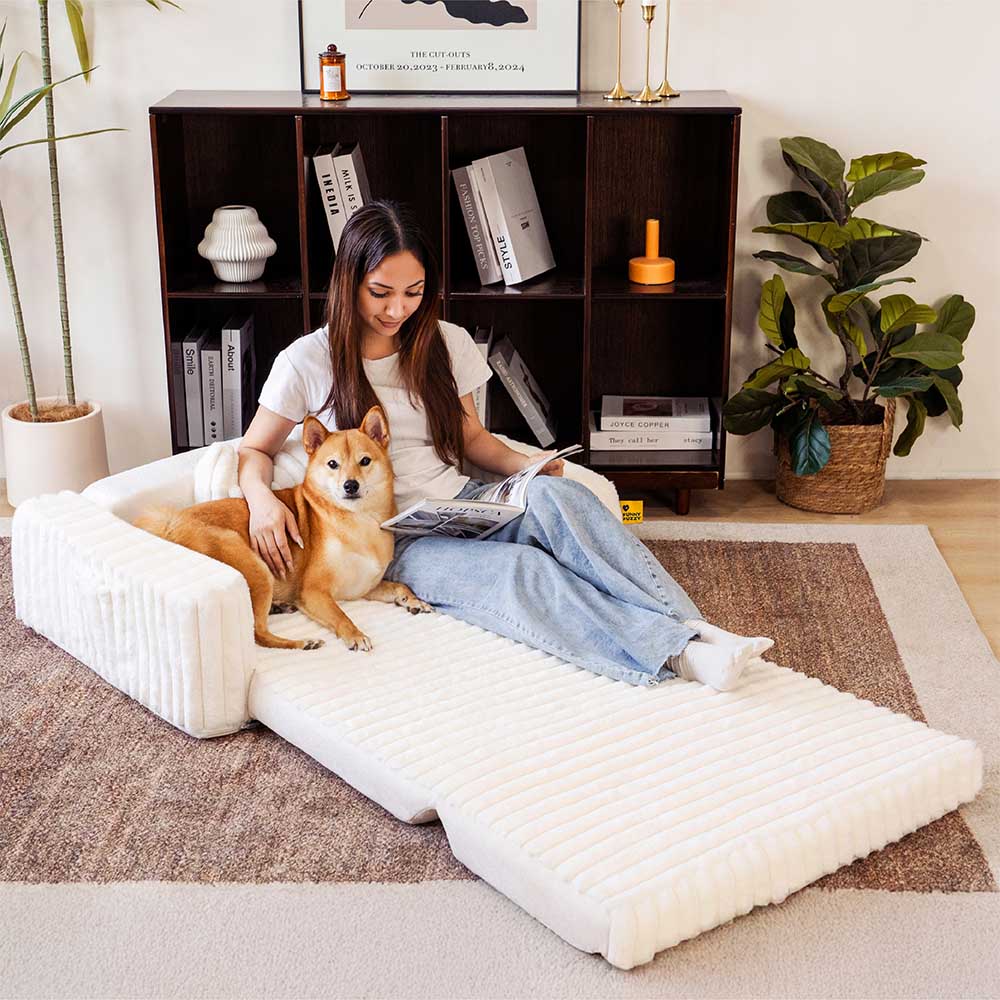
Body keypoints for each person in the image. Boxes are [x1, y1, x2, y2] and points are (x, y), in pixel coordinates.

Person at [237, 200, 773, 691]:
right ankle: (679, 655)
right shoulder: (306, 360)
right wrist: (262, 501)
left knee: (564, 502)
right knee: (523, 572)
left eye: (414, 291)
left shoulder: (446, 342)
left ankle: (696, 629)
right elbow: (254, 450)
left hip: (465, 499)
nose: (397, 309)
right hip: (392, 542)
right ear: (348, 281)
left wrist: (528, 467)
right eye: (381, 292)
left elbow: (471, 438)